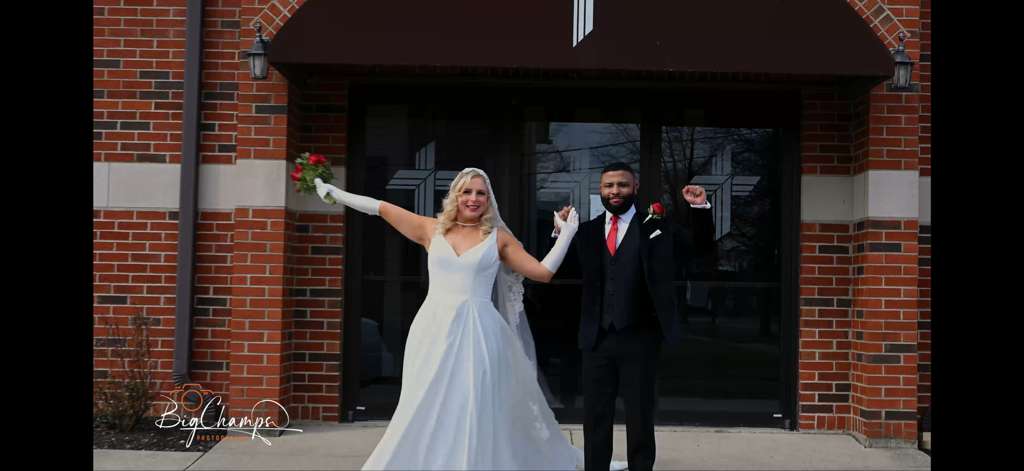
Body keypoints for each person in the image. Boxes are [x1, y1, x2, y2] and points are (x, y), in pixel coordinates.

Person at [313, 168, 627, 470]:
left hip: (481, 331)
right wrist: (335, 193)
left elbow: (543, 272)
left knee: (475, 402)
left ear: (488, 199)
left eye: (481, 193)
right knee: (425, 400)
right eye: (467, 191)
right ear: (455, 195)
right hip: (433, 327)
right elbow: (379, 208)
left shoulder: (498, 238)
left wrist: (567, 233)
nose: (473, 198)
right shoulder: (430, 228)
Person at [552, 162, 714, 471]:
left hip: (640, 337)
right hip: (596, 338)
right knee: (595, 417)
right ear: (600, 191)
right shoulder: (585, 232)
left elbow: (700, 248)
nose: (615, 191)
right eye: (608, 186)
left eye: (622, 185)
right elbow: (559, 271)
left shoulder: (656, 225)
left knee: (640, 415)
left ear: (635, 188)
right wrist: (560, 233)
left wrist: (699, 208)